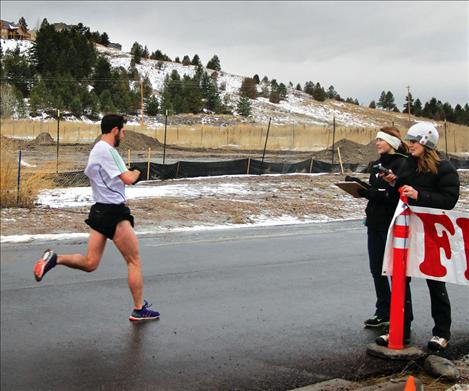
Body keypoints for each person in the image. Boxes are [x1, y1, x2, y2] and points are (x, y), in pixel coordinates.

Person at [33, 114, 160, 322]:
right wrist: (138, 171)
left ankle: (56, 259)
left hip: (99, 210)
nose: (124, 134)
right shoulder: (108, 151)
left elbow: (105, 175)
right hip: (114, 212)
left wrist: (125, 173)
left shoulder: (96, 151)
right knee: (134, 261)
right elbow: (128, 178)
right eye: (123, 130)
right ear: (115, 130)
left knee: (91, 263)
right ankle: (139, 309)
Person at [376, 122, 459, 350]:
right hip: (407, 231)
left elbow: (449, 200)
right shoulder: (407, 165)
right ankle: (400, 329)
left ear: (425, 142)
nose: (409, 145)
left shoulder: (445, 168)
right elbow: (400, 195)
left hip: (431, 232)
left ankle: (441, 332)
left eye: (413, 141)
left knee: (435, 282)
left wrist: (420, 195)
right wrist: (394, 183)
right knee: (401, 279)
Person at [359, 127, 409, 329]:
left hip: (393, 223)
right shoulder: (376, 164)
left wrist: (377, 193)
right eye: (377, 139)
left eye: (381, 139)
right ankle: (383, 310)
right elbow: (375, 189)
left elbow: (398, 193)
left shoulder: (403, 163)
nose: (377, 142)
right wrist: (362, 190)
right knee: (376, 268)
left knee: (396, 271)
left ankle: (402, 314)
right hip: (374, 220)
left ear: (391, 142)